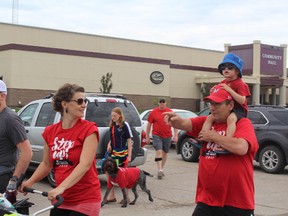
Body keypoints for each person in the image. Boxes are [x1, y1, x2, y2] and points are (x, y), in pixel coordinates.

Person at [164, 87, 259, 216]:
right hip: (207, 201)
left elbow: (241, 147)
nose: (213, 108)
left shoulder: (243, 123)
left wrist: (214, 136)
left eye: (217, 104)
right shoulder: (206, 122)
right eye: (211, 104)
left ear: (230, 105)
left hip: (237, 203)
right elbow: (184, 123)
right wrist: (175, 119)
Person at [20, 83, 102, 216]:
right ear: (64, 104)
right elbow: (46, 164)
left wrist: (61, 187)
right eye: (79, 101)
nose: (84, 105)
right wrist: (30, 181)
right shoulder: (50, 132)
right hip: (61, 199)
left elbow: (85, 164)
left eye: (85, 101)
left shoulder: (89, 129)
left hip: (85, 199)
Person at [201, 53, 251, 142]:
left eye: (230, 67)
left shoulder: (240, 84)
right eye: (223, 67)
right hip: (227, 108)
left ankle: (227, 141)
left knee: (231, 119)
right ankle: (202, 138)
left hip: (239, 108)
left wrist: (229, 90)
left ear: (237, 71)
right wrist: (213, 90)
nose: (226, 69)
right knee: (209, 117)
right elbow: (217, 94)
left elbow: (242, 101)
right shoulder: (223, 82)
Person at [0, 80, 33, 195]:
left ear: (2, 96)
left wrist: (14, 180)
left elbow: (27, 152)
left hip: (3, 177)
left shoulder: (10, 119)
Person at [104, 107, 133, 204]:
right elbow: (112, 138)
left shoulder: (125, 125)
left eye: (115, 115)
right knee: (110, 173)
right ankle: (112, 196)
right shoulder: (112, 126)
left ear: (120, 115)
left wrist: (129, 155)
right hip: (114, 155)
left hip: (123, 155)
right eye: (112, 116)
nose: (113, 117)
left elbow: (129, 140)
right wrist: (109, 144)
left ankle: (127, 197)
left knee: (123, 175)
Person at [146, 98, 178, 179]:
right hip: (156, 135)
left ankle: (161, 169)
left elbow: (175, 124)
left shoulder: (170, 112)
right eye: (160, 102)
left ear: (166, 103)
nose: (162, 103)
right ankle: (160, 169)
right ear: (158, 103)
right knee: (159, 151)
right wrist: (147, 136)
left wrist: (176, 135)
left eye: (163, 102)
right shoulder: (153, 112)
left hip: (167, 135)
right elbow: (149, 125)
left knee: (165, 152)